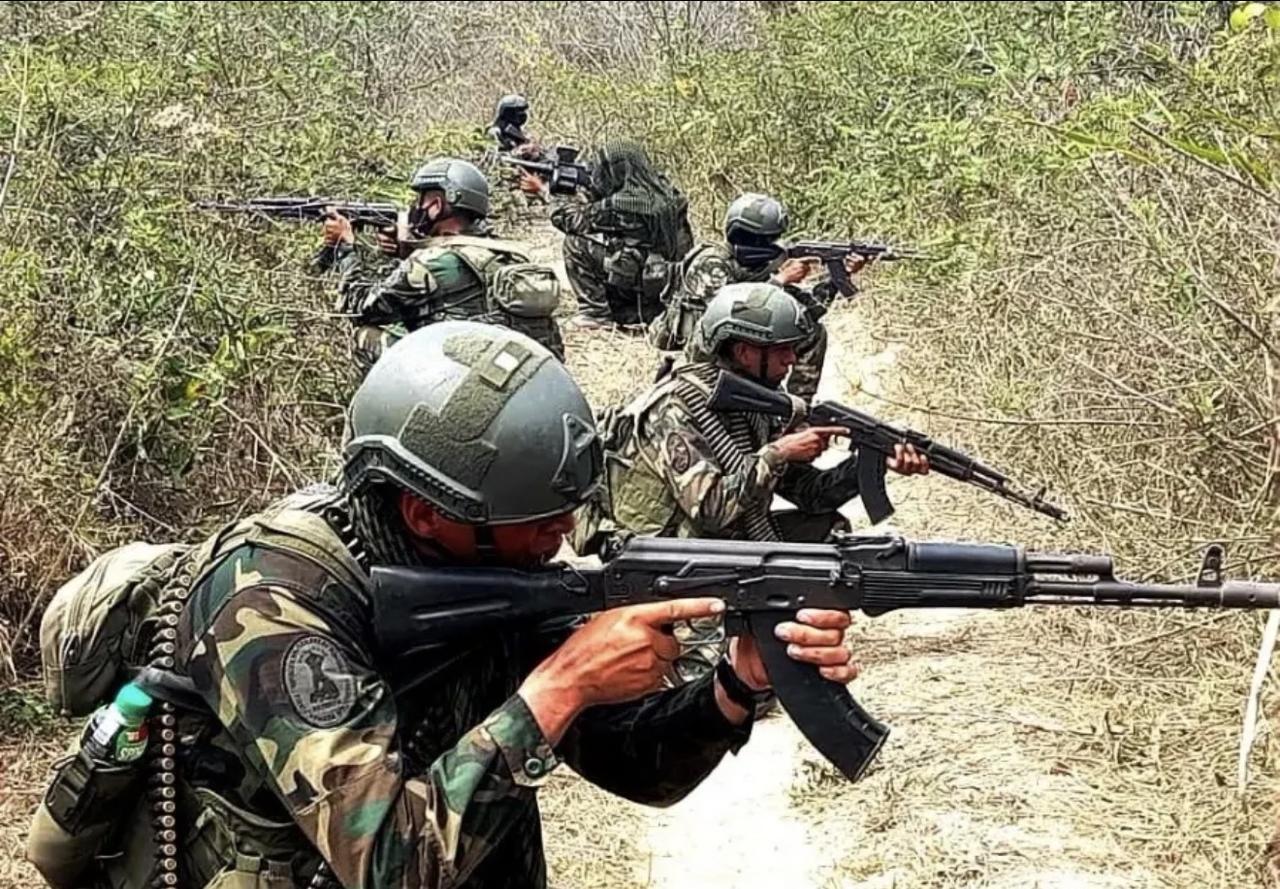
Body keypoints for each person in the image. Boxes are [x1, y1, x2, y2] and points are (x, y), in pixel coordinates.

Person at [25, 321, 863, 889]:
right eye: (541, 518)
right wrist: (559, 687)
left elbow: (637, 765)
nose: (564, 534)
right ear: (428, 512)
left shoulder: (490, 570)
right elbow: (386, 861)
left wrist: (734, 685)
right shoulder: (272, 599)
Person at [578, 282, 928, 682]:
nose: (792, 359)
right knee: (722, 688)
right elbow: (712, 510)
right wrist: (777, 454)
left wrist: (873, 462)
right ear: (745, 351)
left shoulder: (751, 403)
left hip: (725, 544)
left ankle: (780, 629)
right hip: (672, 561)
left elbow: (811, 495)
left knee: (827, 535)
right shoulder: (675, 409)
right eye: (781, 350)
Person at [328, 156, 565, 372]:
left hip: (464, 379)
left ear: (437, 205)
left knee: (365, 336)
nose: (416, 208)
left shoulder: (431, 261)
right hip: (523, 371)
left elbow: (359, 308)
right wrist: (406, 251)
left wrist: (346, 247)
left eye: (421, 200)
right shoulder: (507, 252)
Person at [649, 192, 868, 403]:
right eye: (766, 240)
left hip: (738, 340)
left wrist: (839, 276)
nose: (773, 246)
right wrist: (781, 280)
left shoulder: (759, 266)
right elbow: (728, 314)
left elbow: (809, 312)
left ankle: (796, 407)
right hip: (703, 345)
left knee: (813, 332)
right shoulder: (710, 262)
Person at [546, 140, 694, 330]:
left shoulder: (624, 204)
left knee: (575, 242)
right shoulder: (668, 193)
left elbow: (568, 220)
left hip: (641, 287)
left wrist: (551, 192)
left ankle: (596, 313)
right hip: (669, 286)